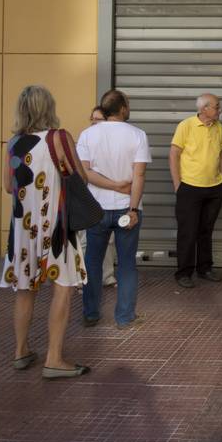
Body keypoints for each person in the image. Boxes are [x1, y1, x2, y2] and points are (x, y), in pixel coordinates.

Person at [1, 85, 91, 379]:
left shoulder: (13, 143)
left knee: (25, 289)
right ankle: (54, 359)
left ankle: (20, 351)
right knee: (63, 286)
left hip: (23, 227)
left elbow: (7, 186)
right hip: (56, 223)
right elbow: (81, 176)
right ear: (48, 108)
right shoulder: (59, 137)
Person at [77, 89, 152, 328]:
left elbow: (85, 173)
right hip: (126, 208)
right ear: (121, 108)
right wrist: (132, 208)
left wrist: (110, 184)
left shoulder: (87, 135)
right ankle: (125, 316)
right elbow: (139, 174)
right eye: (127, 104)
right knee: (127, 263)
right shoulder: (138, 135)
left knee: (92, 261)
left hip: (95, 208)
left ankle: (90, 313)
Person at [170, 93, 222, 288]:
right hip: (190, 187)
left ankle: (205, 268)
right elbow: (174, 154)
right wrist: (178, 184)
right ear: (204, 109)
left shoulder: (219, 127)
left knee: (206, 230)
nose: (220, 110)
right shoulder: (186, 125)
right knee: (188, 231)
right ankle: (184, 272)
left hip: (214, 188)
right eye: (217, 107)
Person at [88, 106, 118, 287]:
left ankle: (107, 276)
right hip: (90, 196)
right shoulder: (86, 138)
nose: (93, 122)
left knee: (110, 240)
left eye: (98, 119)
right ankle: (84, 279)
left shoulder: (113, 142)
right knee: (86, 241)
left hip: (110, 196)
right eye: (92, 118)